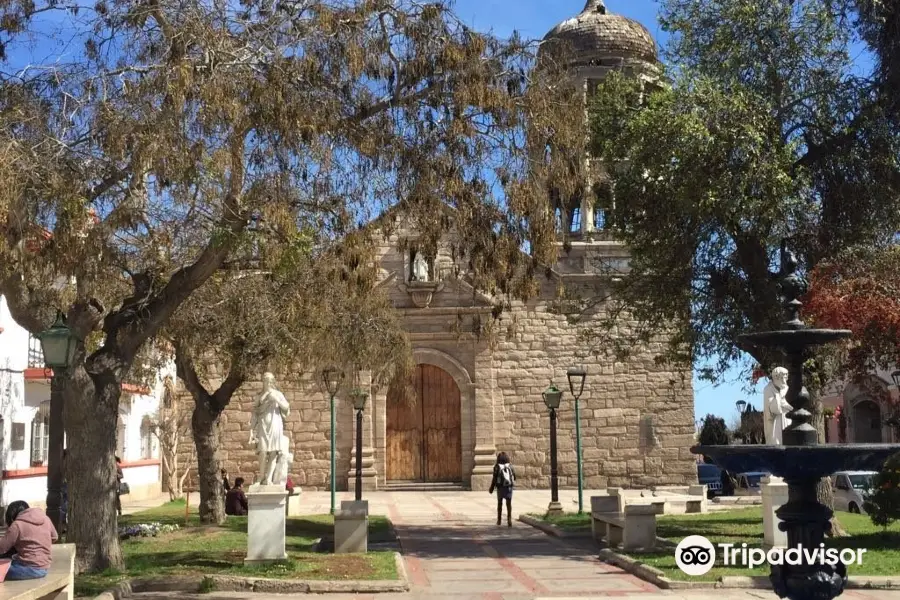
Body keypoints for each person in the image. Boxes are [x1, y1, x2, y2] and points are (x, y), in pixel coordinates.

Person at [0, 501, 58, 580]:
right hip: (45, 566)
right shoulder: (45, 518)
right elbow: (55, 537)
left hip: (29, 569)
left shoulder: (17, 524)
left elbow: (2, 547)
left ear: (11, 515)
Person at [488, 452, 515, 527]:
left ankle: (499, 520)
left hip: (500, 487)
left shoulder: (497, 467)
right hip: (509, 487)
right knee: (508, 504)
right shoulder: (510, 466)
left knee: (500, 503)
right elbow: (514, 477)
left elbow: (494, 478)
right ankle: (509, 520)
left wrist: (491, 488)